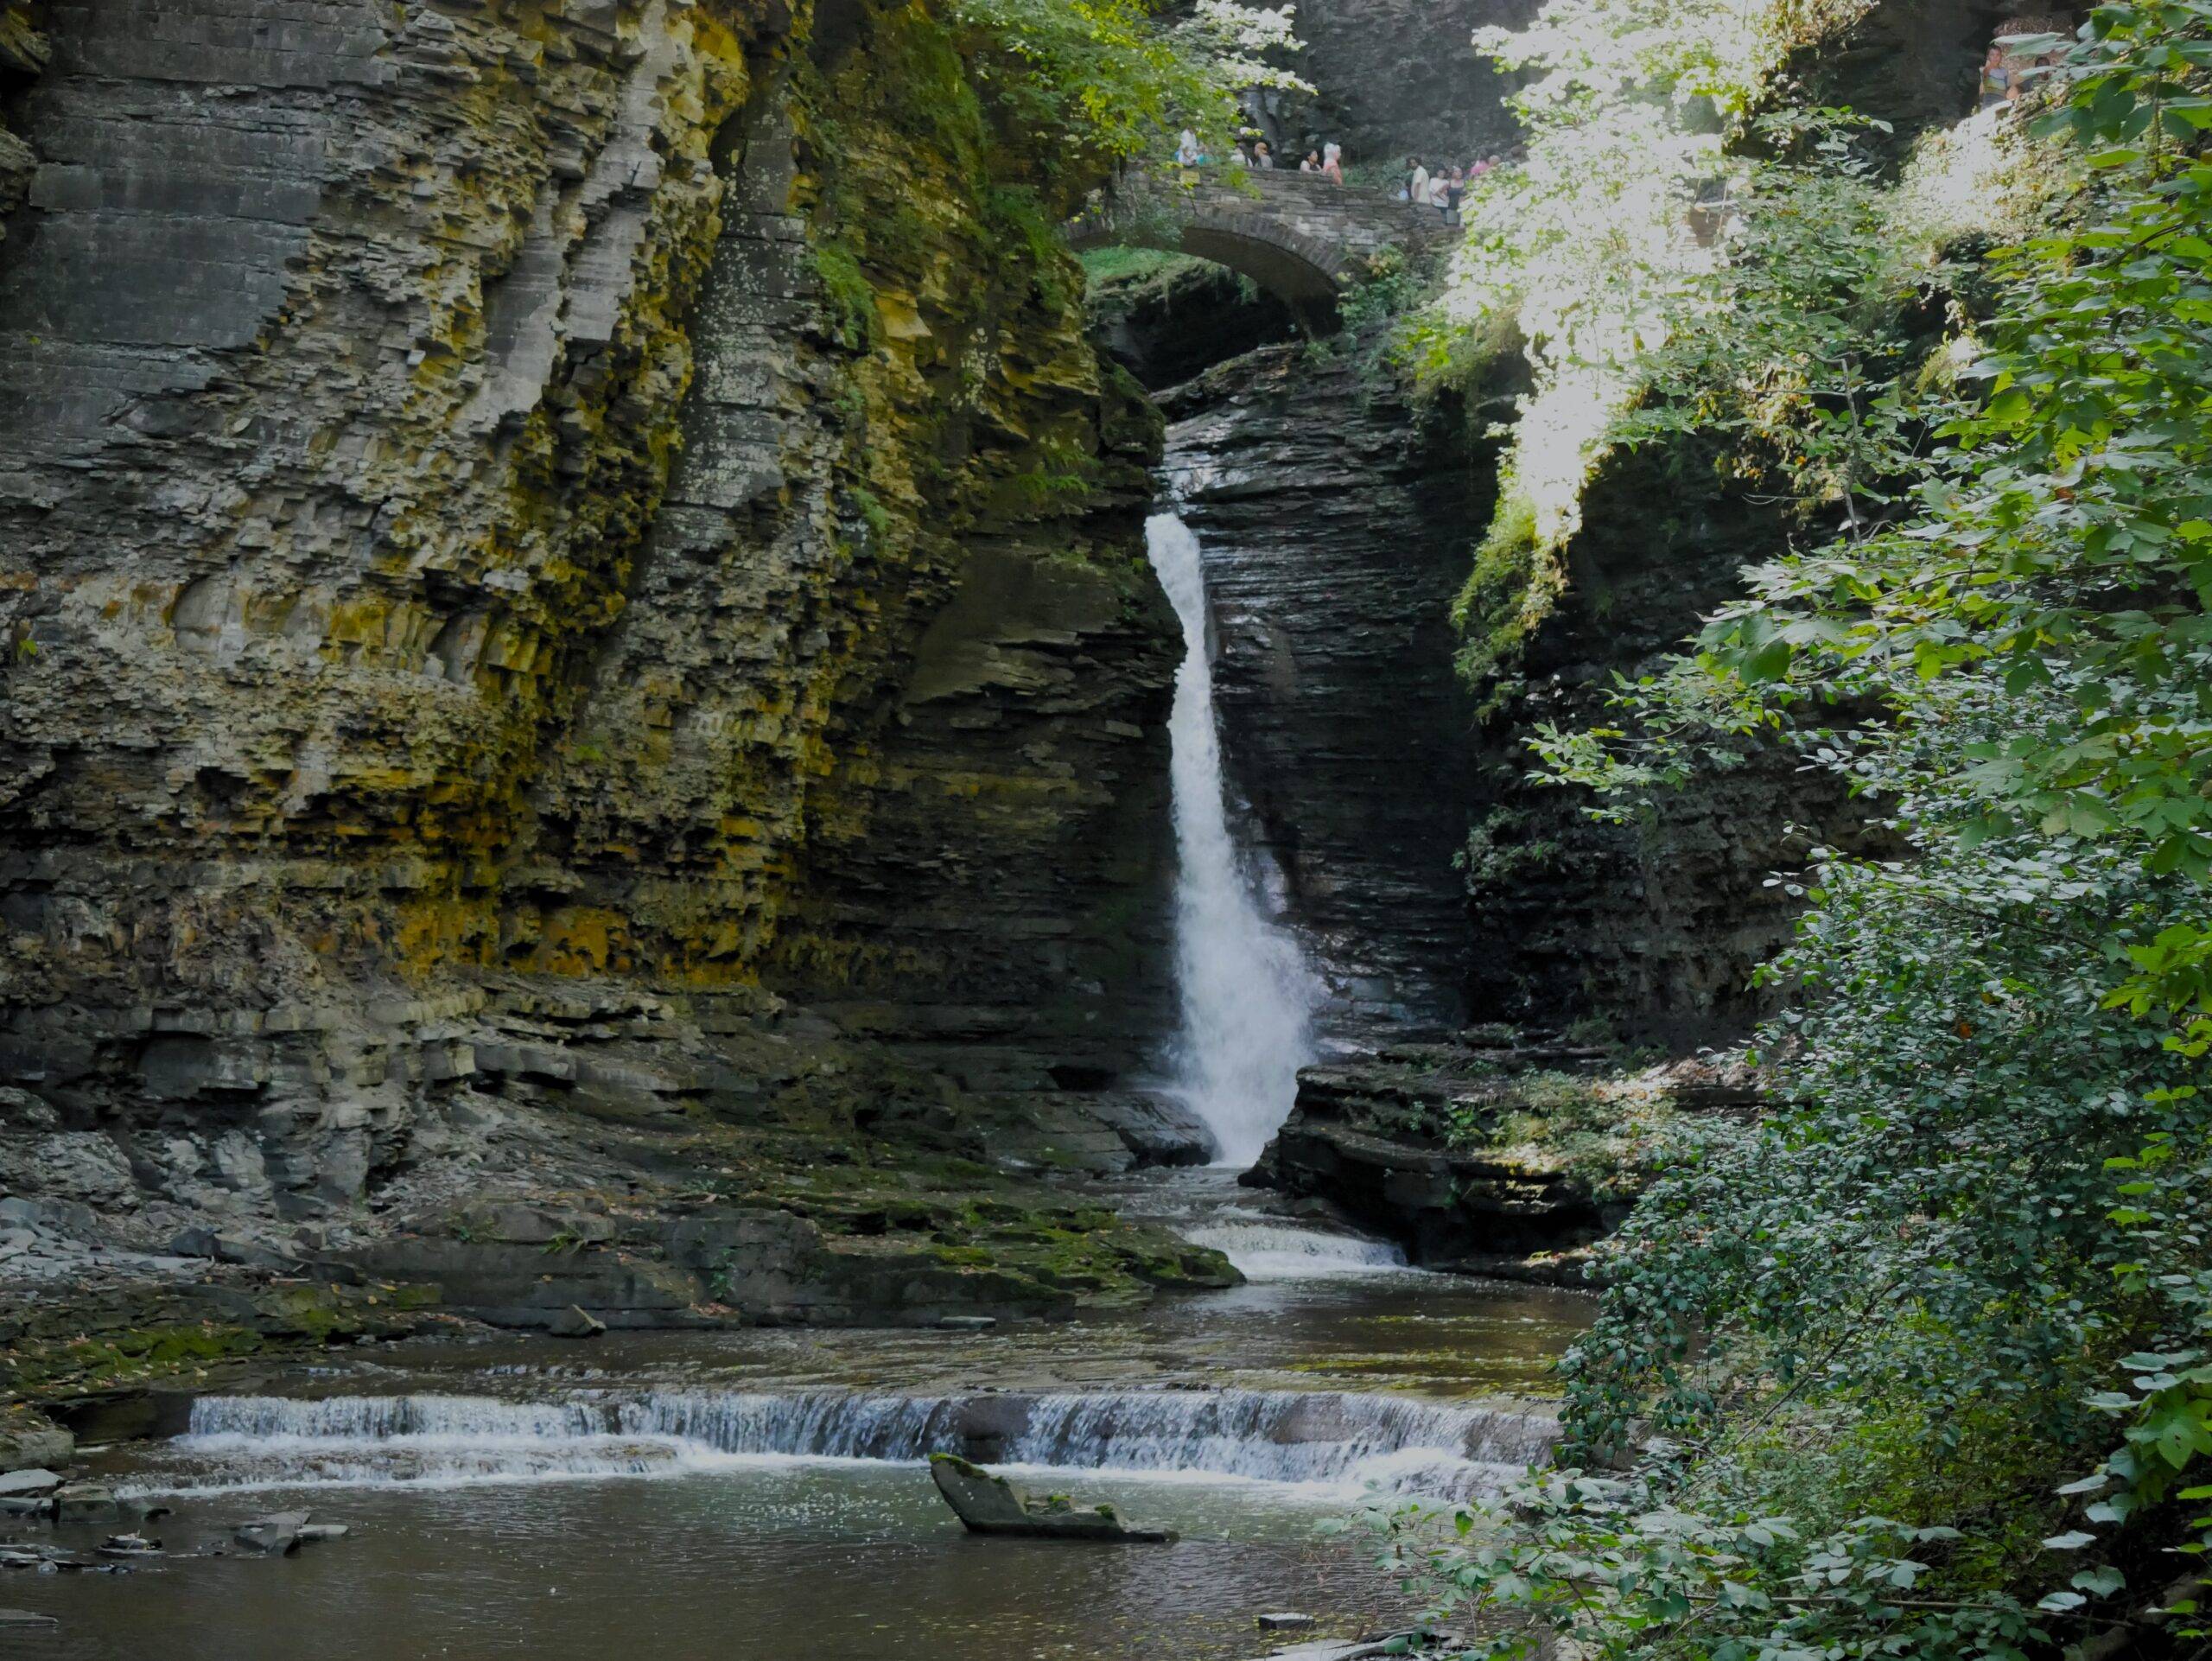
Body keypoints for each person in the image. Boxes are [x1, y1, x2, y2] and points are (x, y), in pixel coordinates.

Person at [1978, 43, 2014, 110]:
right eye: (1992, 55)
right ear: (1988, 57)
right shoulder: (1985, 70)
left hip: (2002, 102)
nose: (1995, 57)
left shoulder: (2004, 71)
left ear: (2001, 57)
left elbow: (2005, 87)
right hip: (1989, 103)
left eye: (1998, 55)